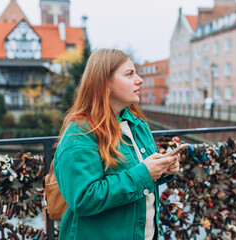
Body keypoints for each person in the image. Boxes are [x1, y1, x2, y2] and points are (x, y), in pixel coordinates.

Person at [53, 49, 180, 240]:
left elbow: (140, 179)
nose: (140, 80)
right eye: (129, 74)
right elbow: (83, 198)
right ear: (104, 82)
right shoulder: (80, 132)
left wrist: (162, 170)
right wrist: (145, 173)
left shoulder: (137, 125)